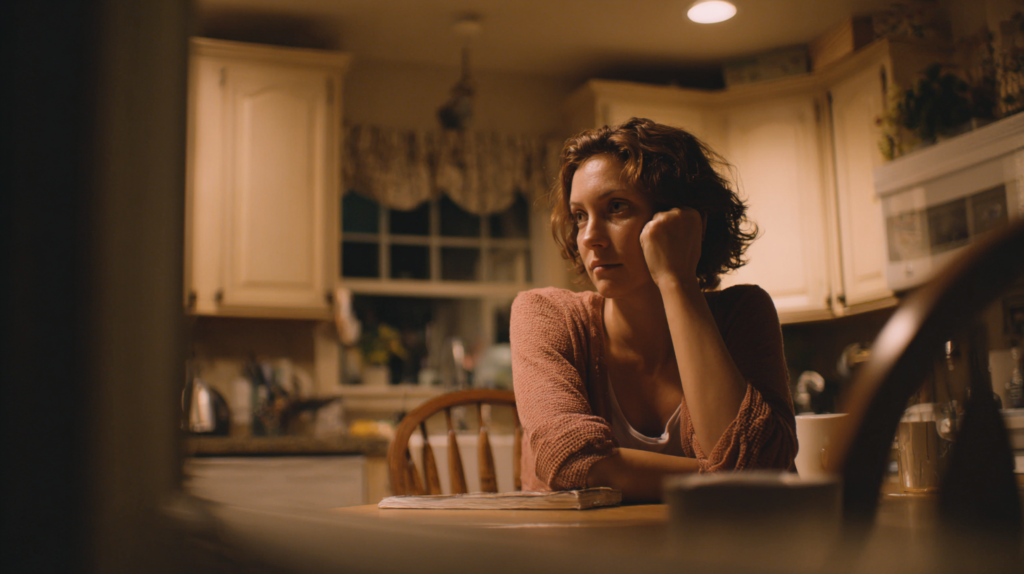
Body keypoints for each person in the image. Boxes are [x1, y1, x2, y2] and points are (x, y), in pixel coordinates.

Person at [510, 118, 797, 502]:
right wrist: (726, 479)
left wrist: (677, 280)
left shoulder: (742, 313)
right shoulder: (545, 315)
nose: (590, 237)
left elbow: (759, 459)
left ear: (682, 222)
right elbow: (569, 461)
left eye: (616, 207)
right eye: (580, 216)